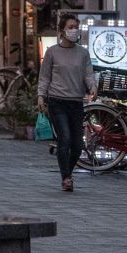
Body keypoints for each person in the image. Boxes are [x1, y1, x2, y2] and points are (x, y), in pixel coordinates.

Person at [37, 14, 97, 192]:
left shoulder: (83, 53)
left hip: (76, 102)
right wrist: (41, 96)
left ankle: (68, 172)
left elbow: (88, 73)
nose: (74, 30)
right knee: (65, 138)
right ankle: (66, 178)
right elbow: (45, 77)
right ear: (62, 30)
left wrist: (92, 86)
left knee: (77, 144)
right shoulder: (52, 52)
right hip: (57, 101)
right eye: (70, 26)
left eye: (76, 26)